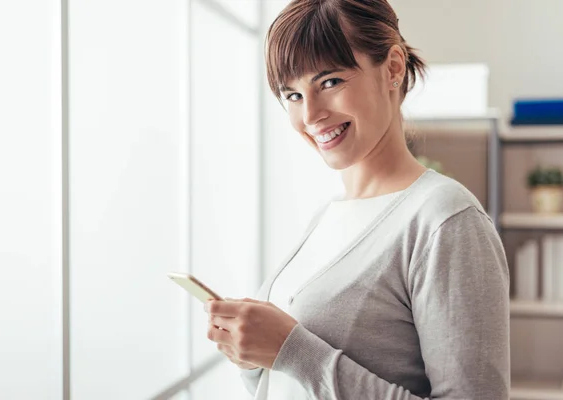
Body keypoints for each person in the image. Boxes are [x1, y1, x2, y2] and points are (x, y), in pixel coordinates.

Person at [204, 0, 510, 398]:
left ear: (394, 68)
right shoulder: (327, 216)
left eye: (329, 82)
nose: (311, 114)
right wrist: (252, 357)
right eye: (292, 95)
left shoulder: (445, 219)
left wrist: (293, 352)